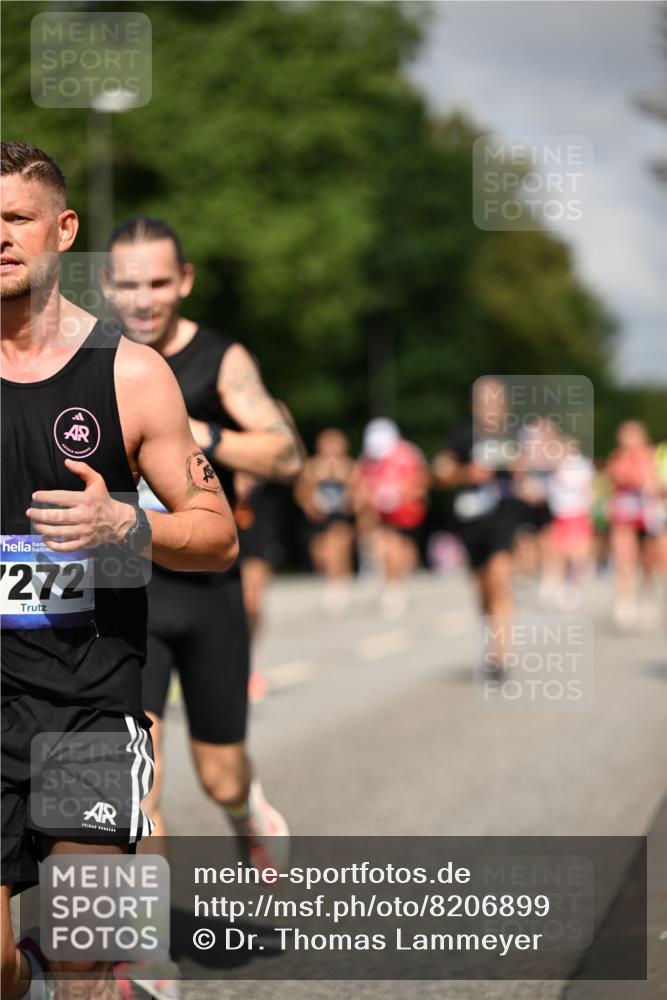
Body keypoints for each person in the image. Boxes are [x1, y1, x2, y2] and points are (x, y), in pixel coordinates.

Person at [1, 143, 237, 999]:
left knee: (84, 958)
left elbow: (216, 535)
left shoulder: (132, 373)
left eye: (16, 218)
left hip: (91, 703)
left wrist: (126, 526)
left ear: (63, 230)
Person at [103, 216, 302, 870]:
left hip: (207, 585)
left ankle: (245, 808)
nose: (144, 300)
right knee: (141, 782)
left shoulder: (219, 358)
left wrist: (195, 434)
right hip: (128, 592)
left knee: (220, 775)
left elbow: (286, 454)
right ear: (106, 284)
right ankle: (148, 932)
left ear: (184, 281)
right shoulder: (92, 358)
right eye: (130, 284)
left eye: (159, 283)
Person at [433, 378, 521, 673]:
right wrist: (465, 473)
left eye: (495, 400)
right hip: (471, 520)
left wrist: (517, 465)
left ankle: (500, 656)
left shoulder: (515, 434)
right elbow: (442, 472)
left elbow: (529, 471)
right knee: (484, 588)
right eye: (484, 401)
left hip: (504, 517)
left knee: (499, 581)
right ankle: (491, 636)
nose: (490, 406)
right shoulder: (462, 434)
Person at [353, 418, 429, 619]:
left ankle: (396, 584)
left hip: (406, 513)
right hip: (379, 513)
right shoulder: (367, 458)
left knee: (400, 550)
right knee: (383, 547)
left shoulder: (408, 454)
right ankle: (391, 585)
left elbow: (421, 484)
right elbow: (360, 485)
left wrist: (398, 496)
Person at [294, 428, 357, 615]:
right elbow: (301, 491)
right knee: (321, 555)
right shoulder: (311, 466)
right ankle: (334, 580)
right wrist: (309, 505)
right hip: (318, 517)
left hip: (340, 516)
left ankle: (338, 586)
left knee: (338, 549)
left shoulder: (350, 466)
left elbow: (359, 492)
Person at [606, 420, 661, 628]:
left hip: (649, 515)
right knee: (624, 558)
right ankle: (625, 602)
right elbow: (618, 477)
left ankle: (647, 595)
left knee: (649, 559)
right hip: (625, 515)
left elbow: (657, 482)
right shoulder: (618, 457)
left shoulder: (654, 455)